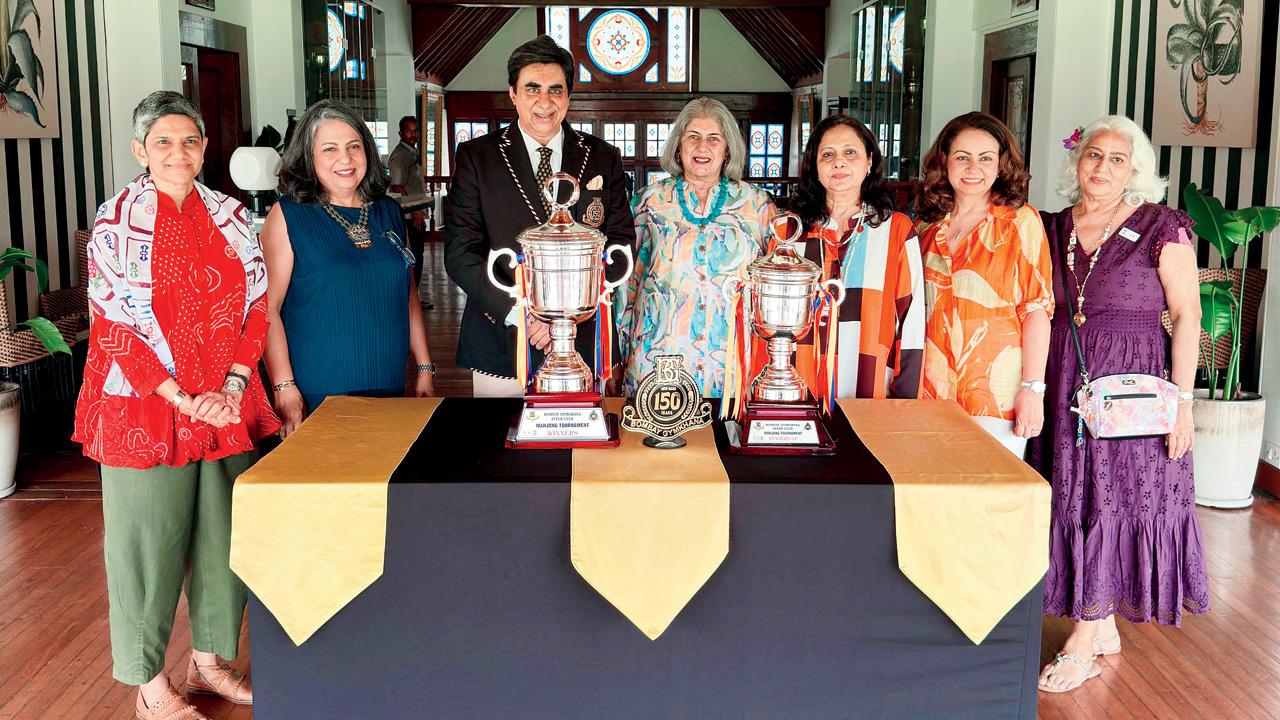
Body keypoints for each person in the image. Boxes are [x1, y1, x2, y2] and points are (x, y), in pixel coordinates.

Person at [74, 90, 276, 720]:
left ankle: (210, 662)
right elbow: (113, 329)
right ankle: (150, 683)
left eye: (189, 139)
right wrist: (183, 397)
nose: (177, 152)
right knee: (147, 547)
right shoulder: (114, 224)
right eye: (162, 141)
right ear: (140, 150)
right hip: (145, 410)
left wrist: (235, 387)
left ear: (205, 148)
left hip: (225, 406)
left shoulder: (232, 216)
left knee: (224, 538)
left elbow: (255, 306)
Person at [1031, 116, 1209, 693]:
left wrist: (1183, 402)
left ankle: (1083, 640)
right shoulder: (1050, 227)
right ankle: (1100, 621)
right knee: (1074, 497)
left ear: (1136, 170)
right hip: (1066, 380)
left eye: (1117, 159)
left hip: (1133, 392)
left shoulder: (1164, 226)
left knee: (1116, 497)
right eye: (1093, 155)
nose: (1102, 168)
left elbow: (1187, 316)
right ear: (1076, 162)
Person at [444, 35, 634, 398]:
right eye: (532, 89)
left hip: (584, 339)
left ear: (568, 95)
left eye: (555, 90)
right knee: (502, 450)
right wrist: (524, 314)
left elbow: (620, 240)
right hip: (503, 338)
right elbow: (460, 252)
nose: (544, 102)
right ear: (513, 93)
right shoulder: (477, 157)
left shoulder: (601, 156)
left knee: (583, 449)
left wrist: (570, 316)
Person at [262, 99, 435, 437]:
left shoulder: (388, 212)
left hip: (386, 379)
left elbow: (408, 292)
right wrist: (284, 387)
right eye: (329, 149)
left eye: (354, 146)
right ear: (308, 158)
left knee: (378, 479)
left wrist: (425, 366)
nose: (345, 158)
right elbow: (268, 309)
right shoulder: (288, 216)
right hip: (318, 386)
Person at [618, 97, 777, 398]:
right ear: (679, 146)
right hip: (658, 358)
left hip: (731, 361)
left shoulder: (758, 206)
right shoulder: (649, 202)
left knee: (727, 441)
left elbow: (773, 282)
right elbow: (627, 282)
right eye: (693, 137)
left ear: (727, 147)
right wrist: (617, 352)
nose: (702, 147)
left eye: (713, 139)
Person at [916, 111, 1053, 457]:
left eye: (985, 158)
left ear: (1001, 165)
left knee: (988, 502)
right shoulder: (926, 228)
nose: (973, 168)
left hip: (995, 393)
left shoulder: (1020, 222)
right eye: (962, 157)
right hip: (929, 389)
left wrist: (1033, 390)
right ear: (944, 162)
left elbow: (1036, 311)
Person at [787, 114, 924, 398]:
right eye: (828, 154)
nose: (839, 162)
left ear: (869, 160)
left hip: (871, 389)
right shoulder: (789, 230)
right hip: (797, 388)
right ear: (814, 165)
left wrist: (905, 402)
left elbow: (911, 321)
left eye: (850, 152)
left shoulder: (896, 230)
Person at [388, 115, 433, 308]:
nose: (412, 134)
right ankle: (410, 299)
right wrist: (414, 210)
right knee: (413, 255)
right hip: (408, 215)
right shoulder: (400, 155)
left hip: (416, 213)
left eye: (415, 130)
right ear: (400, 133)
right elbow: (397, 186)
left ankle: (413, 297)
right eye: (408, 130)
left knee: (418, 253)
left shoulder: (411, 153)